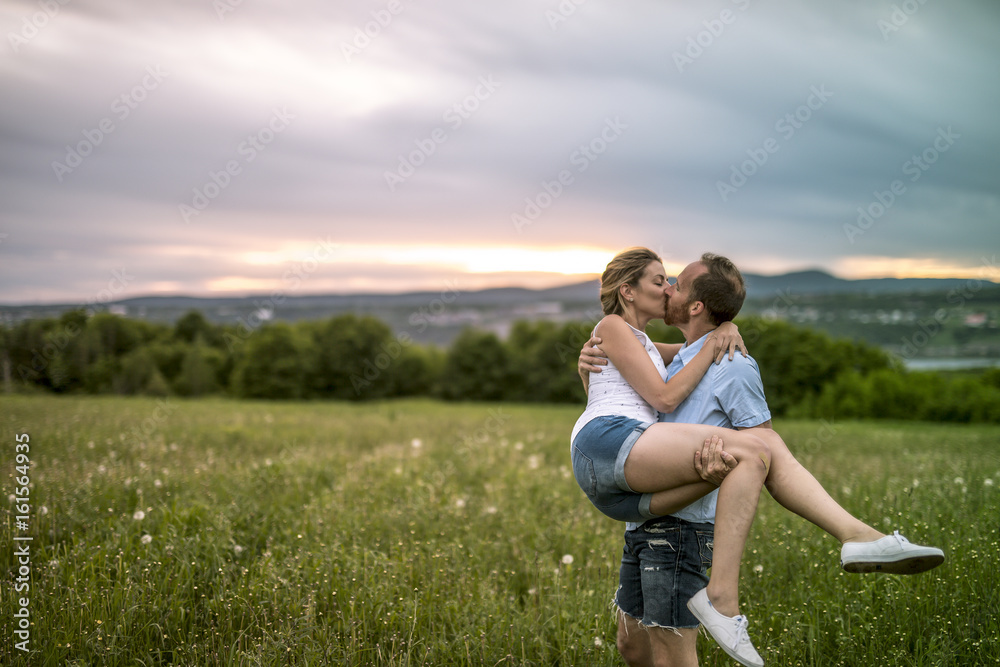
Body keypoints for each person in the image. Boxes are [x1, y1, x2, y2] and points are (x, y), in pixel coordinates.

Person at [572, 248, 945, 667]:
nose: (668, 288)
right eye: (661, 281)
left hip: (663, 516)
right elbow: (645, 390)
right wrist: (589, 365)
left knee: (643, 650)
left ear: (695, 305)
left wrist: (723, 329)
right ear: (629, 291)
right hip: (629, 485)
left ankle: (852, 540)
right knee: (758, 450)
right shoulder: (657, 348)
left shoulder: (722, 362)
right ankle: (850, 539)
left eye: (673, 282)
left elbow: (746, 433)